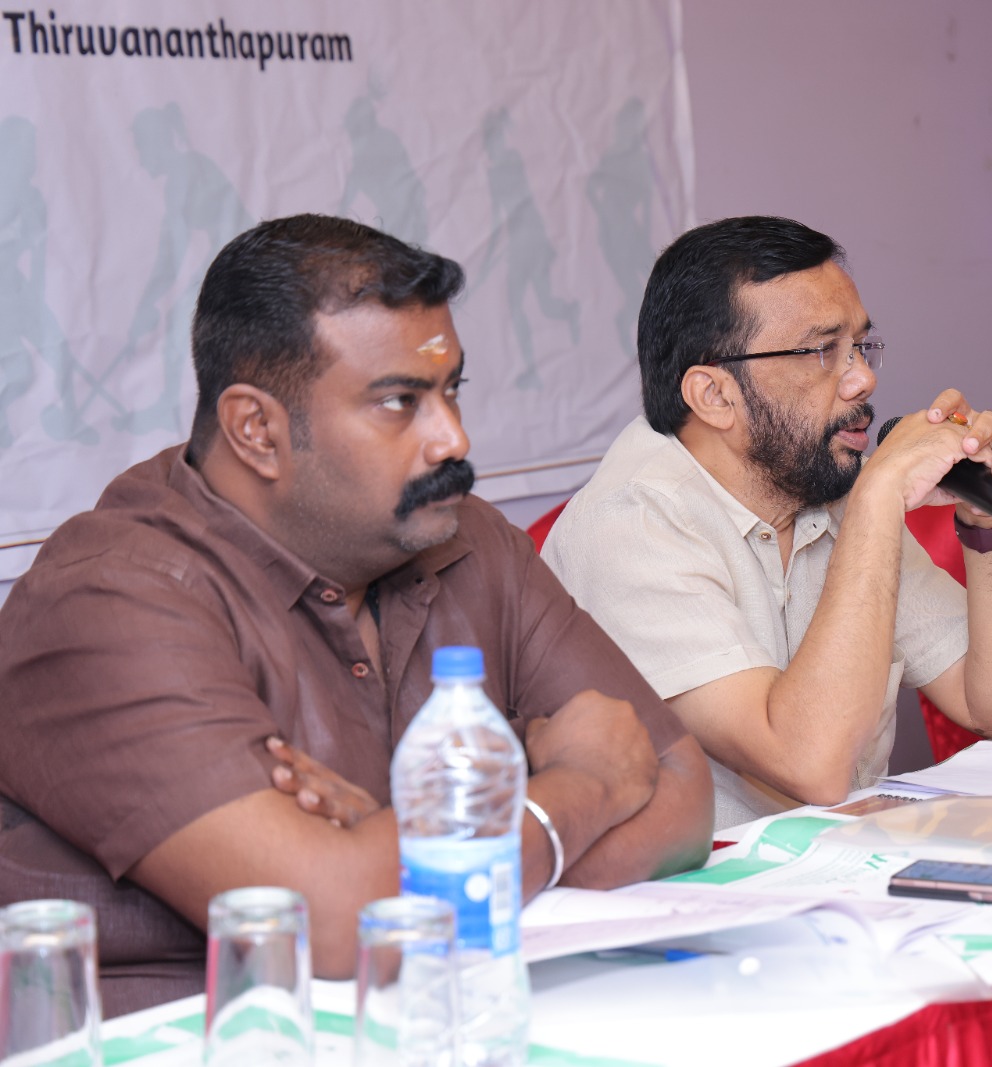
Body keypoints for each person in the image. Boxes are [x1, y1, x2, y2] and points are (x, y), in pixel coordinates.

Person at [0, 215, 712, 1017]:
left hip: (438, 1013)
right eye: (400, 402)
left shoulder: (467, 537)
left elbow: (683, 793)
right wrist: (578, 787)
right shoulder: (108, 599)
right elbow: (337, 923)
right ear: (257, 430)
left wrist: (397, 849)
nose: (453, 439)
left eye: (451, 390)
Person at [543, 216, 992, 829]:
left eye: (861, 346)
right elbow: (811, 766)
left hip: (844, 864)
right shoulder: (628, 525)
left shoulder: (816, 480)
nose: (863, 379)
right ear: (714, 396)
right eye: (821, 351)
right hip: (703, 882)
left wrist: (987, 522)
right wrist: (879, 496)